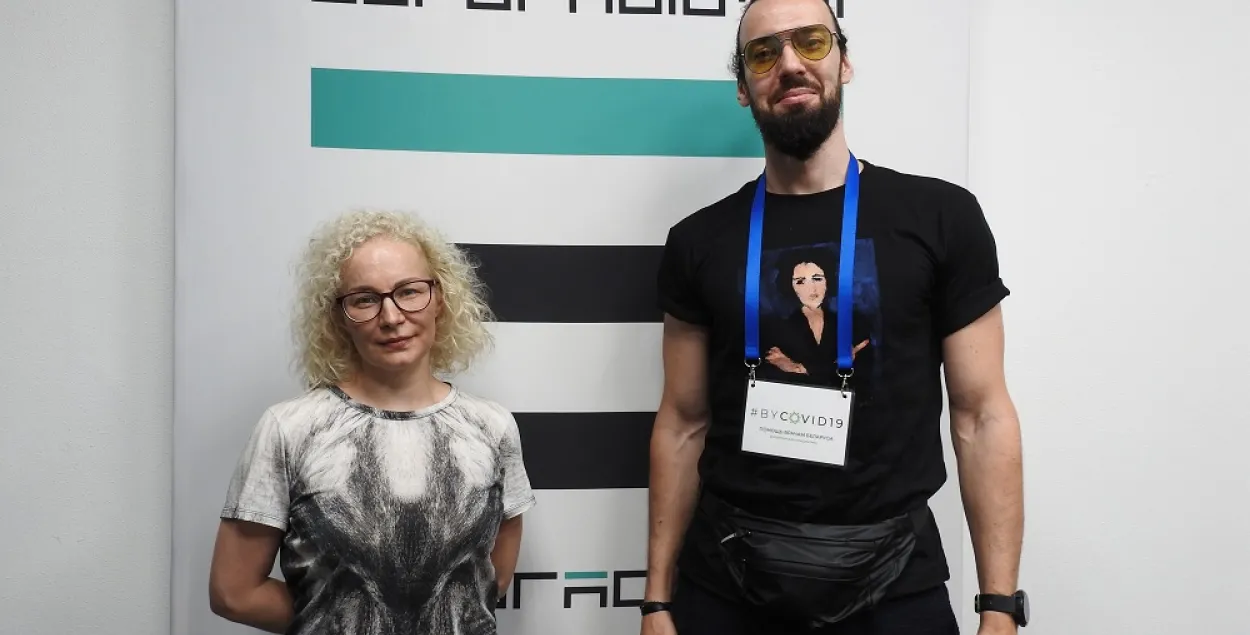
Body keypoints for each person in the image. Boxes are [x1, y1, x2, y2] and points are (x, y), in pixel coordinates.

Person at [639, 0, 1026, 633]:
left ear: (844, 61)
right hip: (728, 580)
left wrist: (1000, 606)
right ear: (743, 86)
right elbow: (682, 422)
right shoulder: (698, 240)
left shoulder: (940, 217)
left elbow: (982, 415)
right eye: (764, 53)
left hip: (895, 582)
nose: (790, 64)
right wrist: (657, 600)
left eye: (811, 42)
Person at [208, 209, 536, 634]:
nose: (392, 317)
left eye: (409, 291)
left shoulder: (493, 426)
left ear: (440, 298)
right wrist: (342, 620)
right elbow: (234, 592)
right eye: (365, 299)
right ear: (339, 317)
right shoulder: (289, 429)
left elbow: (489, 581)